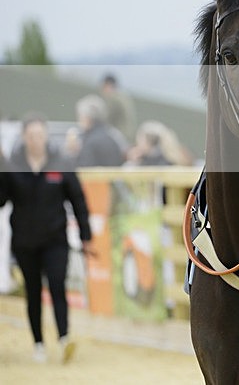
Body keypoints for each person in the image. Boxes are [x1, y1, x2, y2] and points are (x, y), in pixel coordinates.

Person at [0, 113, 94, 363]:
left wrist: (86, 235)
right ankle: (38, 343)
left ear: (45, 136)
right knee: (32, 292)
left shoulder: (60, 162)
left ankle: (64, 337)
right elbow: (1, 199)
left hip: (55, 239)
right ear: (24, 137)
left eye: (40, 135)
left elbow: (78, 199)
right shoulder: (13, 165)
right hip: (24, 241)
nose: (36, 140)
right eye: (31, 136)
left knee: (57, 285)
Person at [75, 94, 127, 167]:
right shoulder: (115, 135)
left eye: (80, 116)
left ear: (87, 118)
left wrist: (73, 155)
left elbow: (84, 168)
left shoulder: (89, 141)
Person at [100, 73, 137, 144]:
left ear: (108, 85)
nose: (102, 91)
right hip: (128, 137)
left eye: (103, 87)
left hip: (120, 138)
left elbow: (106, 119)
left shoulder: (114, 98)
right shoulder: (123, 96)